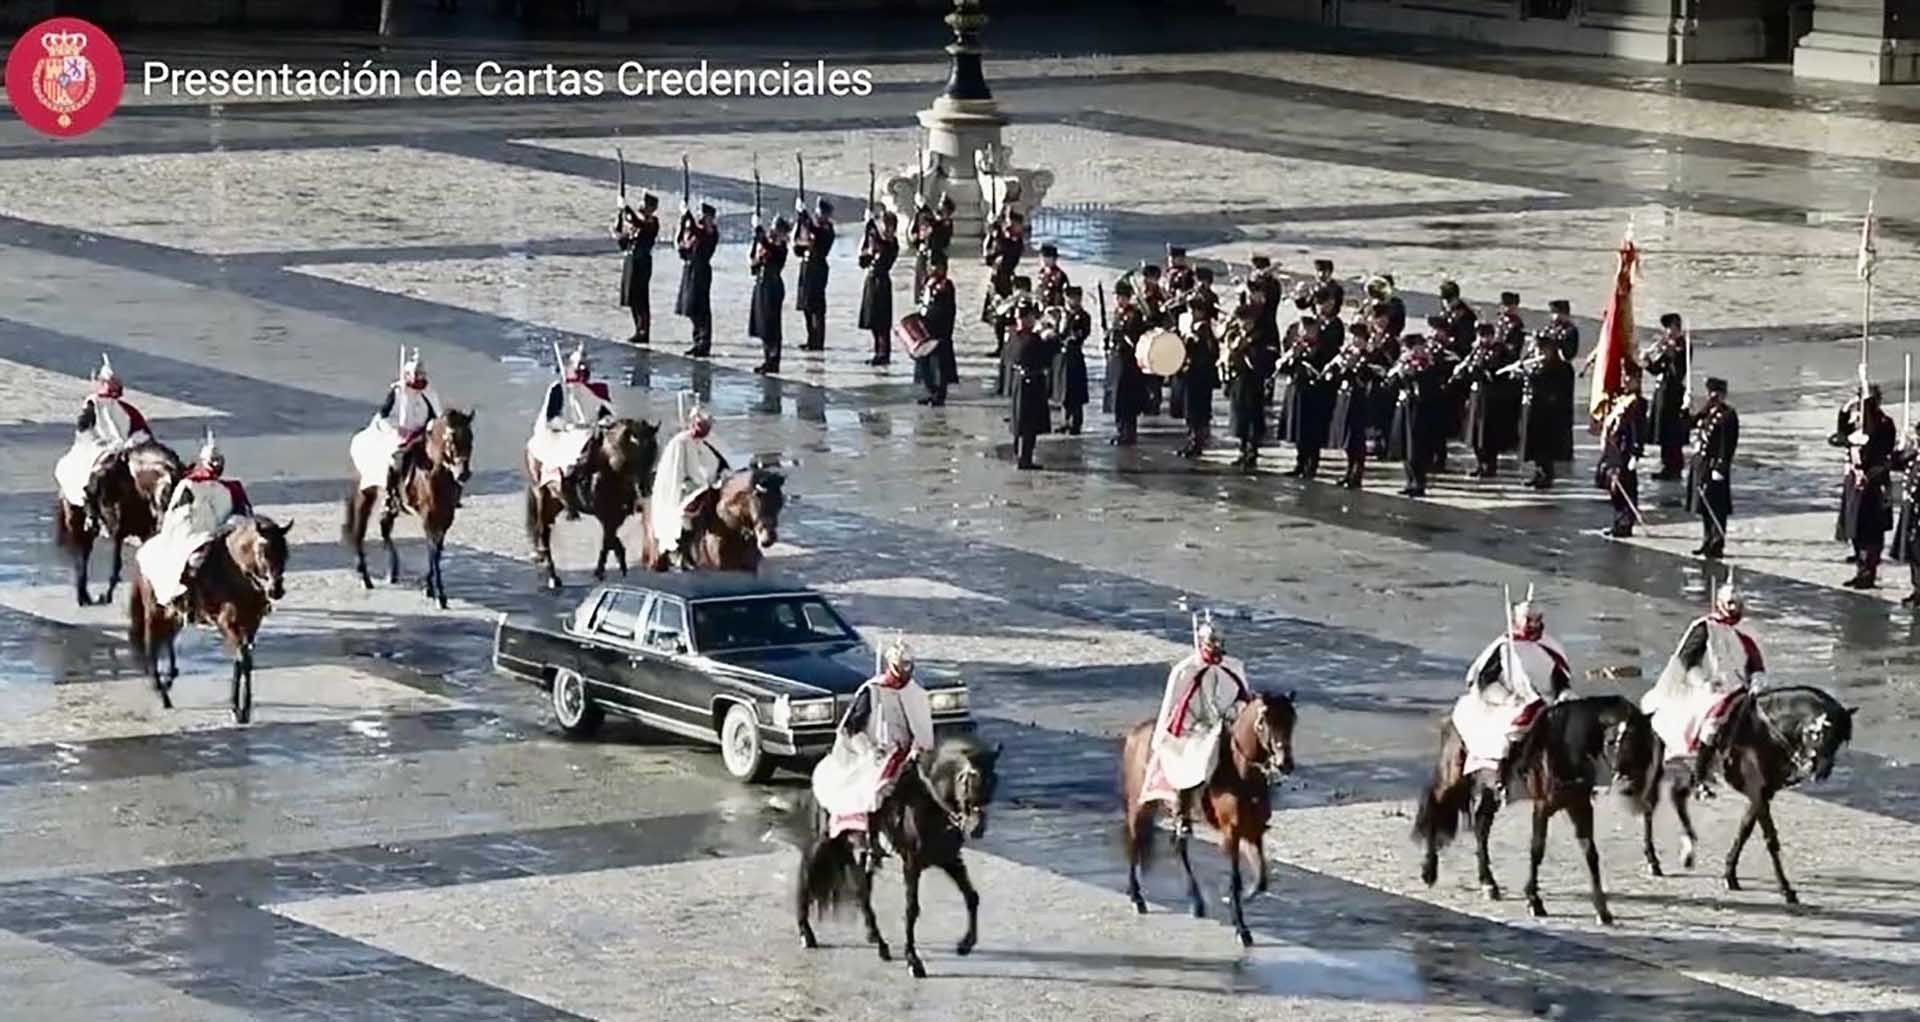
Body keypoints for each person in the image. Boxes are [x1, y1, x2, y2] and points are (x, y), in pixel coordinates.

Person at [1642, 579, 1765, 795]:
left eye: (1738, 603)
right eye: (1731, 603)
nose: (1735, 608)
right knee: (1713, 725)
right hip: (1707, 689)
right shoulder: (1705, 627)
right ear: (1720, 603)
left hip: (1740, 689)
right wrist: (1704, 682)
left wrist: (1757, 681)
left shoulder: (1745, 635)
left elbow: (1756, 664)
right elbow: (1685, 662)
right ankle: (1700, 777)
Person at [811, 638, 936, 848]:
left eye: (908, 665)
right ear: (891, 665)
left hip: (912, 752)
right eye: (901, 666)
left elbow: (922, 727)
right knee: (877, 789)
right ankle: (873, 838)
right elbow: (851, 728)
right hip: (879, 752)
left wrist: (919, 747)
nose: (905, 670)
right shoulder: (873, 690)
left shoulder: (916, 692)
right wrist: (869, 750)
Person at [1453, 590, 1572, 801]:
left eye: (1535, 620)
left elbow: (1560, 678)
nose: (1531, 624)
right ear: (1518, 619)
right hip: (1509, 700)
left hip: (1547, 700)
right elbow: (1485, 680)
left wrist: (1564, 692)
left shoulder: (1550, 646)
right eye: (1528, 620)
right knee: (1512, 731)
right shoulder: (1504, 646)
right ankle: (1502, 776)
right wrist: (1506, 697)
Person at [1140, 617, 1252, 835]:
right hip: (1194, 730)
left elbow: (1244, 697)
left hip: (1226, 724)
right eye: (1212, 643)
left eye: (1219, 643)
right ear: (1202, 643)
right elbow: (1173, 707)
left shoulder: (1234, 667)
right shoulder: (1184, 671)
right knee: (1187, 761)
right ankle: (1183, 813)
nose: (1216, 647)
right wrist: (1194, 726)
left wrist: (1232, 713)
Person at [136, 432, 253, 610]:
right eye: (212, 461)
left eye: (218, 461)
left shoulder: (233, 487)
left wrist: (233, 523)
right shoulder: (188, 485)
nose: (216, 465)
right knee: (195, 561)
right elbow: (175, 512)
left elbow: (243, 511)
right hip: (195, 535)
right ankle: (188, 600)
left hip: (226, 534)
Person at [54, 354, 153, 534]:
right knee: (98, 475)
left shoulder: (126, 409)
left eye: (114, 382)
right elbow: (84, 430)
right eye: (108, 382)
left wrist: (132, 441)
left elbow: (141, 430)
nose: (112, 385)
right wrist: (103, 445)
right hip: (97, 448)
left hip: (125, 448)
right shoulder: (92, 405)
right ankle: (92, 513)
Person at [528, 344, 616, 519]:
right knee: (571, 464)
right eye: (578, 368)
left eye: (585, 368)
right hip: (568, 435)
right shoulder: (559, 388)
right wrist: (566, 425)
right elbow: (551, 417)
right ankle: (569, 498)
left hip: (593, 432)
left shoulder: (597, 390)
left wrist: (606, 421)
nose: (582, 372)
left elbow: (606, 413)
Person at [1831, 383, 1898, 588]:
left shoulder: (1884, 423)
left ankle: (1870, 571)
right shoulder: (1858, 424)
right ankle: (1861, 569)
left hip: (1874, 481)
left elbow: (1878, 442)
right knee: (1856, 528)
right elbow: (1841, 436)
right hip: (1855, 480)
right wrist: (1845, 411)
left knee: (1872, 530)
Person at [648, 404, 730, 568]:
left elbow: (724, 461)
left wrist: (723, 475)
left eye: (707, 426)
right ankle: (681, 553)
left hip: (716, 483)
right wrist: (697, 484)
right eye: (701, 425)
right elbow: (675, 474)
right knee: (688, 514)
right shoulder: (680, 443)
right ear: (692, 423)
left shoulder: (711, 441)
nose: (704, 429)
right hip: (688, 490)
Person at [374, 349, 441, 520]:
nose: (419, 377)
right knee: (397, 459)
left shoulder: (429, 392)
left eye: (421, 374)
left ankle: (446, 493)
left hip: (424, 433)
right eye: (416, 374)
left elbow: (437, 415)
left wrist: (433, 426)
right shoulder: (398, 392)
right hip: (402, 434)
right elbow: (383, 415)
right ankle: (391, 497)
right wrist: (396, 429)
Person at [1451, 320, 1517, 479]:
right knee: (1474, 432)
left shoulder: (1501, 351)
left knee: (1488, 434)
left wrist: (1482, 370)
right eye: (1480, 336)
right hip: (1476, 395)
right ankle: (1480, 463)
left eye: (1485, 336)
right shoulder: (1476, 350)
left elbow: (1500, 372)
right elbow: (1469, 367)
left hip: (1492, 397)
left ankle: (1490, 465)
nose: (1482, 339)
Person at [1386, 323, 1442, 497]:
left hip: (1419, 410)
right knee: (1404, 444)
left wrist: (1415, 375)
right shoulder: (1403, 363)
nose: (1413, 352)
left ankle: (1419, 482)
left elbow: (1429, 389)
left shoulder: (1428, 365)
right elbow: (1390, 385)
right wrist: (1399, 373)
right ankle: (1409, 479)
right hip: (1404, 406)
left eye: (1416, 348)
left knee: (1416, 447)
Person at [1685, 377, 1739, 559]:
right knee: (1704, 505)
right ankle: (1707, 540)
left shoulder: (1728, 415)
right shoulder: (1707, 411)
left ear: (1723, 395)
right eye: (1711, 393)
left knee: (1717, 506)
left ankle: (1717, 542)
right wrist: (1686, 407)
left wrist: (1721, 467)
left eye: (1717, 393)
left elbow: (1728, 444)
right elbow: (1689, 424)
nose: (1713, 396)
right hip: (1702, 464)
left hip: (1714, 465)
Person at [1223, 285, 1272, 472]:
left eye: (1247, 322)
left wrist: (1248, 348)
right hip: (1238, 380)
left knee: (1253, 417)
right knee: (1240, 416)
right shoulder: (1235, 335)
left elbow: (1260, 359)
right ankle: (1243, 450)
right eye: (1242, 321)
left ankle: (1252, 452)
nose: (1244, 325)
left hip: (1253, 381)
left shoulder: (1258, 337)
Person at [1518, 331, 1575, 490]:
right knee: (1535, 446)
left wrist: (1530, 376)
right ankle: (1538, 473)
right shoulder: (1538, 365)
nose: (1539, 353)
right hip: (1536, 411)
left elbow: (1553, 390)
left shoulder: (1562, 368)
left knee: (1546, 449)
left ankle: (1546, 476)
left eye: (1542, 349)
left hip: (1550, 415)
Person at [1003, 300, 1056, 470]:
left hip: (1019, 382)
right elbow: (1047, 356)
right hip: (1031, 383)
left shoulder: (1013, 336)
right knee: (1028, 424)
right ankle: (1024, 458)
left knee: (1020, 422)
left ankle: (1019, 454)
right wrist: (1050, 335)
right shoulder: (1031, 339)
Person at [1328, 320, 1379, 488]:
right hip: (1346, 399)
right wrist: (1339, 367)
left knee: (1357, 439)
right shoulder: (1347, 354)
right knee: (1348, 439)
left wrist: (1354, 366)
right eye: (1353, 337)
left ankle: (1357, 473)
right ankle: (1349, 471)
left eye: (1358, 338)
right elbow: (1337, 377)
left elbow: (1368, 378)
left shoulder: (1369, 356)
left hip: (1361, 401)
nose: (1355, 341)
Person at [1640, 313, 1691, 480]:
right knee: (1662, 429)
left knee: (1672, 432)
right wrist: (1647, 361)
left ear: (1677, 327)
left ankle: (1673, 467)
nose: (1668, 332)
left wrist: (1672, 354)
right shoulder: (1668, 346)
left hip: (1674, 394)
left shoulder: (1683, 346)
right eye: (1666, 328)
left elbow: (1679, 372)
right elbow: (1657, 369)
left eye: (1671, 328)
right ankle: (1665, 464)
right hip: (1663, 391)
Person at [1596, 365, 1646, 538]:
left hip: (1626, 450)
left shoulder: (1637, 403)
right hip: (1615, 448)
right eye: (1625, 377)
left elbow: (1638, 430)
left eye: (1630, 378)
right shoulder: (1621, 399)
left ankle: (1626, 522)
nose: (1626, 380)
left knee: (1626, 486)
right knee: (1614, 487)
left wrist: (1635, 453)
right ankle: (1618, 520)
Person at [1177, 279, 1221, 459]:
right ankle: (1192, 439)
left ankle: (1197, 442)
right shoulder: (1192, 328)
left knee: (1198, 410)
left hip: (1200, 375)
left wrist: (1192, 339)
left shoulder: (1204, 329)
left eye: (1193, 310)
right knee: (1191, 410)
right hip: (1191, 374)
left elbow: (1210, 352)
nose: (1191, 314)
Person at [1106, 280, 1150, 446]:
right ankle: (1120, 429)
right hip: (1118, 360)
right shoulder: (1118, 312)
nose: (1119, 300)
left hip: (1129, 361)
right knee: (1118, 398)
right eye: (1117, 297)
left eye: (1122, 297)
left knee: (1127, 399)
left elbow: (1133, 338)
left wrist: (1121, 336)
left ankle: (1129, 432)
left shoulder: (1134, 314)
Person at [913, 252, 959, 407]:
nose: (933, 268)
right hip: (926, 327)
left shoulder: (946, 285)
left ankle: (940, 394)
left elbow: (946, 309)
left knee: (940, 365)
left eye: (936, 266)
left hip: (940, 330)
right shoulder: (928, 283)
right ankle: (930, 390)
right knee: (926, 363)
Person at [614, 192, 660, 345]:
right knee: (632, 296)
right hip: (631, 260)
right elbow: (625, 241)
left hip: (642, 262)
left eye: (645, 204)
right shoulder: (636, 224)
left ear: (652, 208)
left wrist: (626, 208)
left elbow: (639, 223)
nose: (641, 206)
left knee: (641, 297)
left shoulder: (652, 223)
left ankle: (644, 330)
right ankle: (637, 329)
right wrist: (618, 225)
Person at [856, 208, 900, 367]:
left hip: (882, 281)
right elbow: (863, 262)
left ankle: (884, 353)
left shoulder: (892, 243)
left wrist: (872, 226)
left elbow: (883, 247)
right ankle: (877, 351)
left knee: (882, 322)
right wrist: (868, 232)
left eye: (888, 225)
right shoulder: (876, 239)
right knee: (873, 320)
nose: (886, 228)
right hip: (871, 279)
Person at [676, 203, 719, 357]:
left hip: (702, 271)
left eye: (704, 215)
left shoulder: (711, 233)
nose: (701, 217)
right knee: (692, 307)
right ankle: (697, 341)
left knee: (702, 308)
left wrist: (688, 215)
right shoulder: (697, 231)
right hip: (691, 269)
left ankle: (704, 343)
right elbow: (681, 245)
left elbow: (700, 233)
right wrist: (683, 221)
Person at [749, 216, 791, 375]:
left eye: (776, 230)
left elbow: (770, 248)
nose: (772, 232)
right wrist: (756, 241)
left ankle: (774, 360)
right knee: (763, 324)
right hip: (762, 285)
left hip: (773, 287)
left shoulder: (781, 248)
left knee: (772, 324)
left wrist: (759, 230)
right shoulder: (768, 245)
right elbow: (754, 262)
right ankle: (767, 358)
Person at [793, 197, 836, 352]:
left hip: (818, 267)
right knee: (806, 305)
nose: (819, 216)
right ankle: (811, 338)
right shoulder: (812, 226)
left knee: (817, 307)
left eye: (822, 214)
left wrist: (804, 215)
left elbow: (817, 237)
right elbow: (798, 246)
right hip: (806, 266)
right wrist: (801, 218)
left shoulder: (827, 229)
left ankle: (818, 341)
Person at [1049, 285, 1093, 435]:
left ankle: (1076, 422)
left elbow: (1078, 335)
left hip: (1074, 354)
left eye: (1075, 297)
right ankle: (1064, 420)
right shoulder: (1060, 314)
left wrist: (1066, 323)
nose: (1072, 300)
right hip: (1061, 355)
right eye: (1070, 297)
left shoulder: (1083, 316)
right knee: (1063, 390)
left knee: (1075, 391)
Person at [1892, 420, 1920, 605]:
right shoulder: (1914, 456)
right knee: (1913, 552)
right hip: (1911, 510)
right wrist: (1901, 446)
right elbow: (1895, 463)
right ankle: (1917, 589)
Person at [910, 194, 955, 303]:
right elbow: (916, 235)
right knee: (922, 287)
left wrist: (924, 208)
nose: (940, 210)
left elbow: (936, 229)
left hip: (937, 260)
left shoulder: (947, 224)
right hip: (924, 257)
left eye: (943, 209)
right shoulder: (929, 219)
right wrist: (919, 212)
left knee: (935, 290)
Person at [1542, 298, 1579, 362]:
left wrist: (1557, 341)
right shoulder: (1550, 328)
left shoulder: (1570, 330)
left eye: (1555, 312)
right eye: (1552, 312)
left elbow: (1569, 353)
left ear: (1564, 314)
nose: (1553, 316)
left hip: (1560, 364)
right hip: (1544, 360)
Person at [1036, 243, 1070, 308]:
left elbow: (1063, 293)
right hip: (1042, 304)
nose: (1045, 261)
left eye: (1048, 258)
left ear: (1055, 259)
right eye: (1043, 258)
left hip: (1055, 305)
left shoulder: (1059, 274)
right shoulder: (1042, 272)